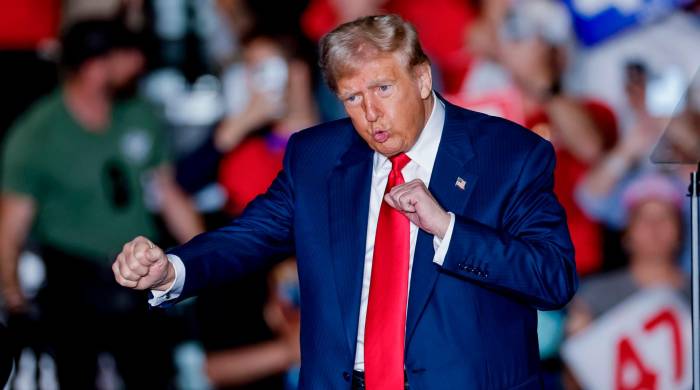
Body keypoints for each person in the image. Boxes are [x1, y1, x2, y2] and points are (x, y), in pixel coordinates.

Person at [113, 14, 577, 389]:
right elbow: (250, 235)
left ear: (420, 78)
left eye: (382, 89)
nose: (370, 113)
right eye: (352, 97)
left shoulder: (509, 153)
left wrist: (449, 229)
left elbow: (552, 278)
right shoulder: (317, 156)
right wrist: (172, 269)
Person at [0, 19, 203, 388]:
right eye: (122, 56)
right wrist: (15, 301)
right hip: (73, 283)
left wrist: (208, 258)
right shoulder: (37, 134)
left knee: (154, 377)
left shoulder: (138, 114)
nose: (137, 63)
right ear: (95, 67)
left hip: (141, 276)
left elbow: (168, 192)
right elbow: (10, 227)